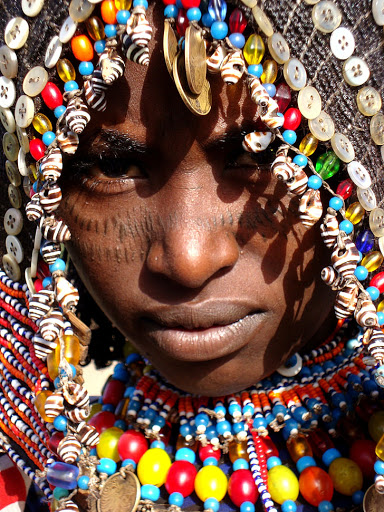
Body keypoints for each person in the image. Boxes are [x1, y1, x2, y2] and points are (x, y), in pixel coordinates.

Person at [0, 0, 384, 511]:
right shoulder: (35, 484)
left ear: (363, 169)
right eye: (114, 166)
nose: (188, 260)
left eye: (259, 155)